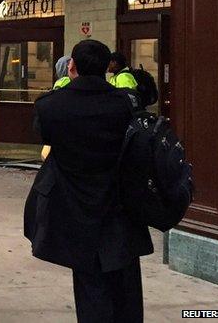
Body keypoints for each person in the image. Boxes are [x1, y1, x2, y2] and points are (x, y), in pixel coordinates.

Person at [25, 39, 152, 322]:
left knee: (89, 284)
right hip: (122, 206)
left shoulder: (50, 107)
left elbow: (45, 137)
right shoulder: (127, 104)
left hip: (76, 207)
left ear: (72, 67)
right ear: (108, 68)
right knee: (127, 284)